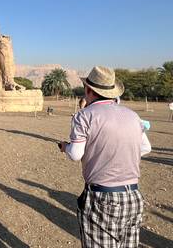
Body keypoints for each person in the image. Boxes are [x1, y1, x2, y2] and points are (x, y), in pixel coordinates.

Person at [59, 66, 151, 248]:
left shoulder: (84, 116)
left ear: (88, 90)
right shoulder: (133, 116)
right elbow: (145, 148)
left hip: (103, 197)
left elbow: (76, 154)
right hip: (133, 196)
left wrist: (65, 147)